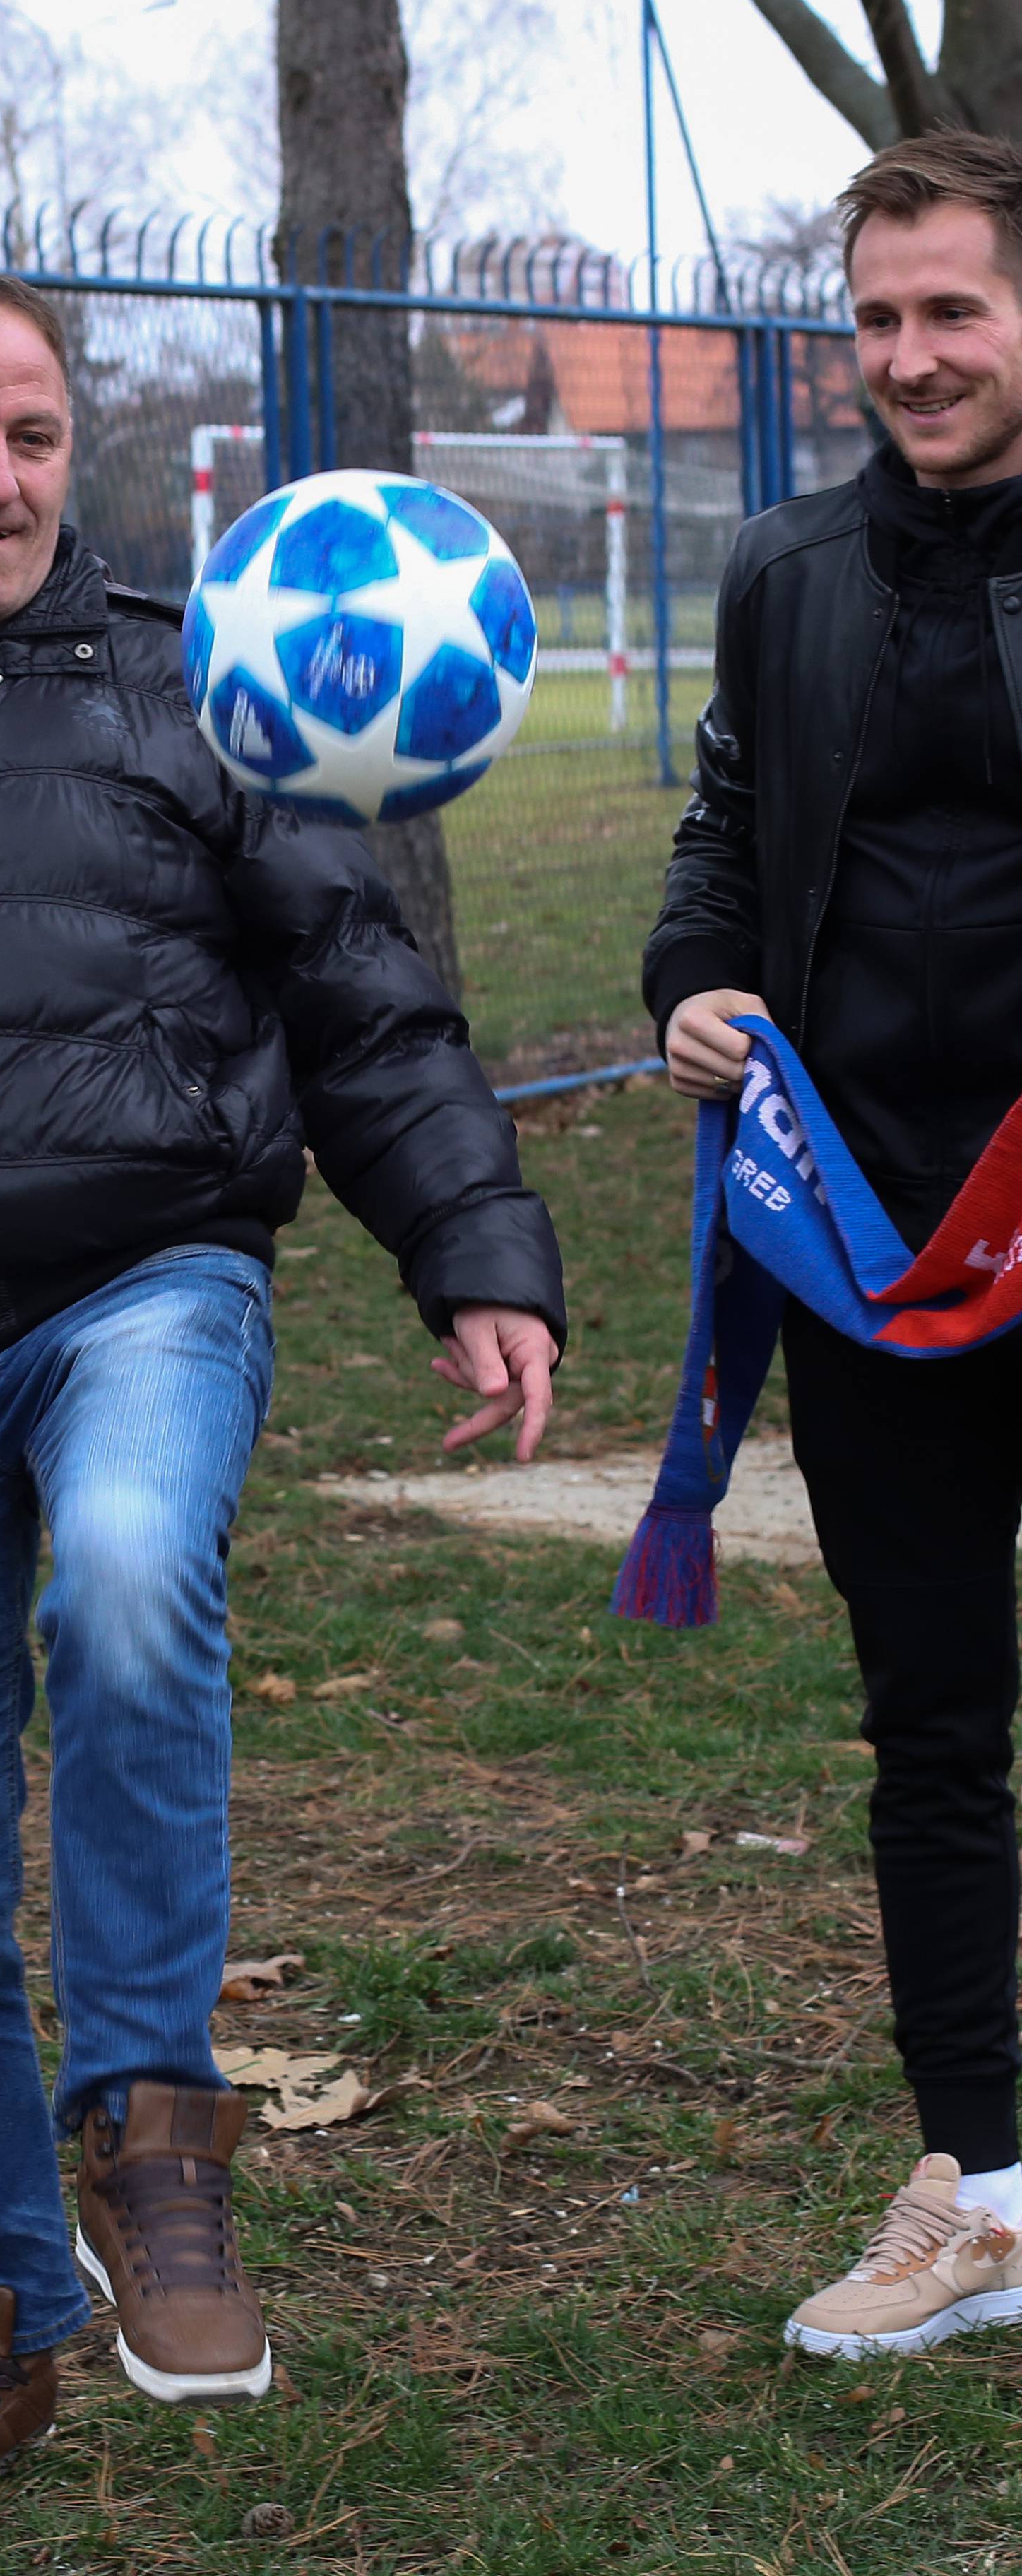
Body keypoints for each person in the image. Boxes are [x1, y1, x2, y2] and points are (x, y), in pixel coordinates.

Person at [0, 264, 565, 2551]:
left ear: (79, 451)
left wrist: (472, 1250)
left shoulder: (207, 696)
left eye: (34, 437)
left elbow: (367, 1000)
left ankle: (158, 2123)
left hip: (142, 1284)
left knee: (144, 1572)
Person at [646, 126, 1022, 2358]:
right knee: (936, 1726)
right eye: (877, 319)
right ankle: (981, 2190)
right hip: (869, 1244)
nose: (910, 358)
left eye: (952, 311)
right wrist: (690, 977)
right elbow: (728, 823)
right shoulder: (786, 572)